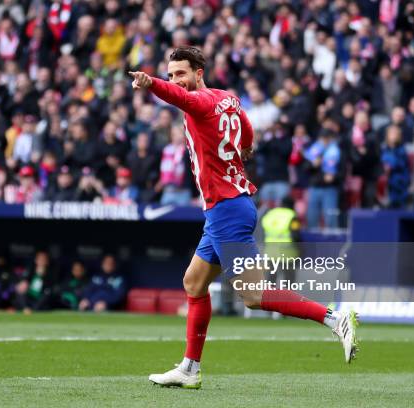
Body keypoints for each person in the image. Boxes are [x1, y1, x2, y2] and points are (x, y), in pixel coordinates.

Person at [129, 46, 358, 389]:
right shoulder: (227, 99)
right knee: (194, 282)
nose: (177, 80)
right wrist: (246, 146)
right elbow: (247, 127)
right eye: (171, 73)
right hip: (226, 207)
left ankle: (333, 317)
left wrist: (152, 83)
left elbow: (182, 100)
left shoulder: (201, 101)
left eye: (181, 74)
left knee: (253, 295)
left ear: (198, 73)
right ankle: (190, 368)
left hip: (226, 209)